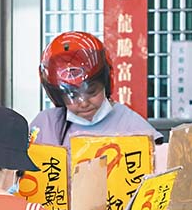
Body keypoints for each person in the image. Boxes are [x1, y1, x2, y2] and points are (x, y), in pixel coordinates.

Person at [30, 31, 162, 148]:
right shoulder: (46, 125)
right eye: (72, 96)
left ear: (105, 83)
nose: (84, 103)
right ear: (58, 96)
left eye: (91, 92)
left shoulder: (130, 125)